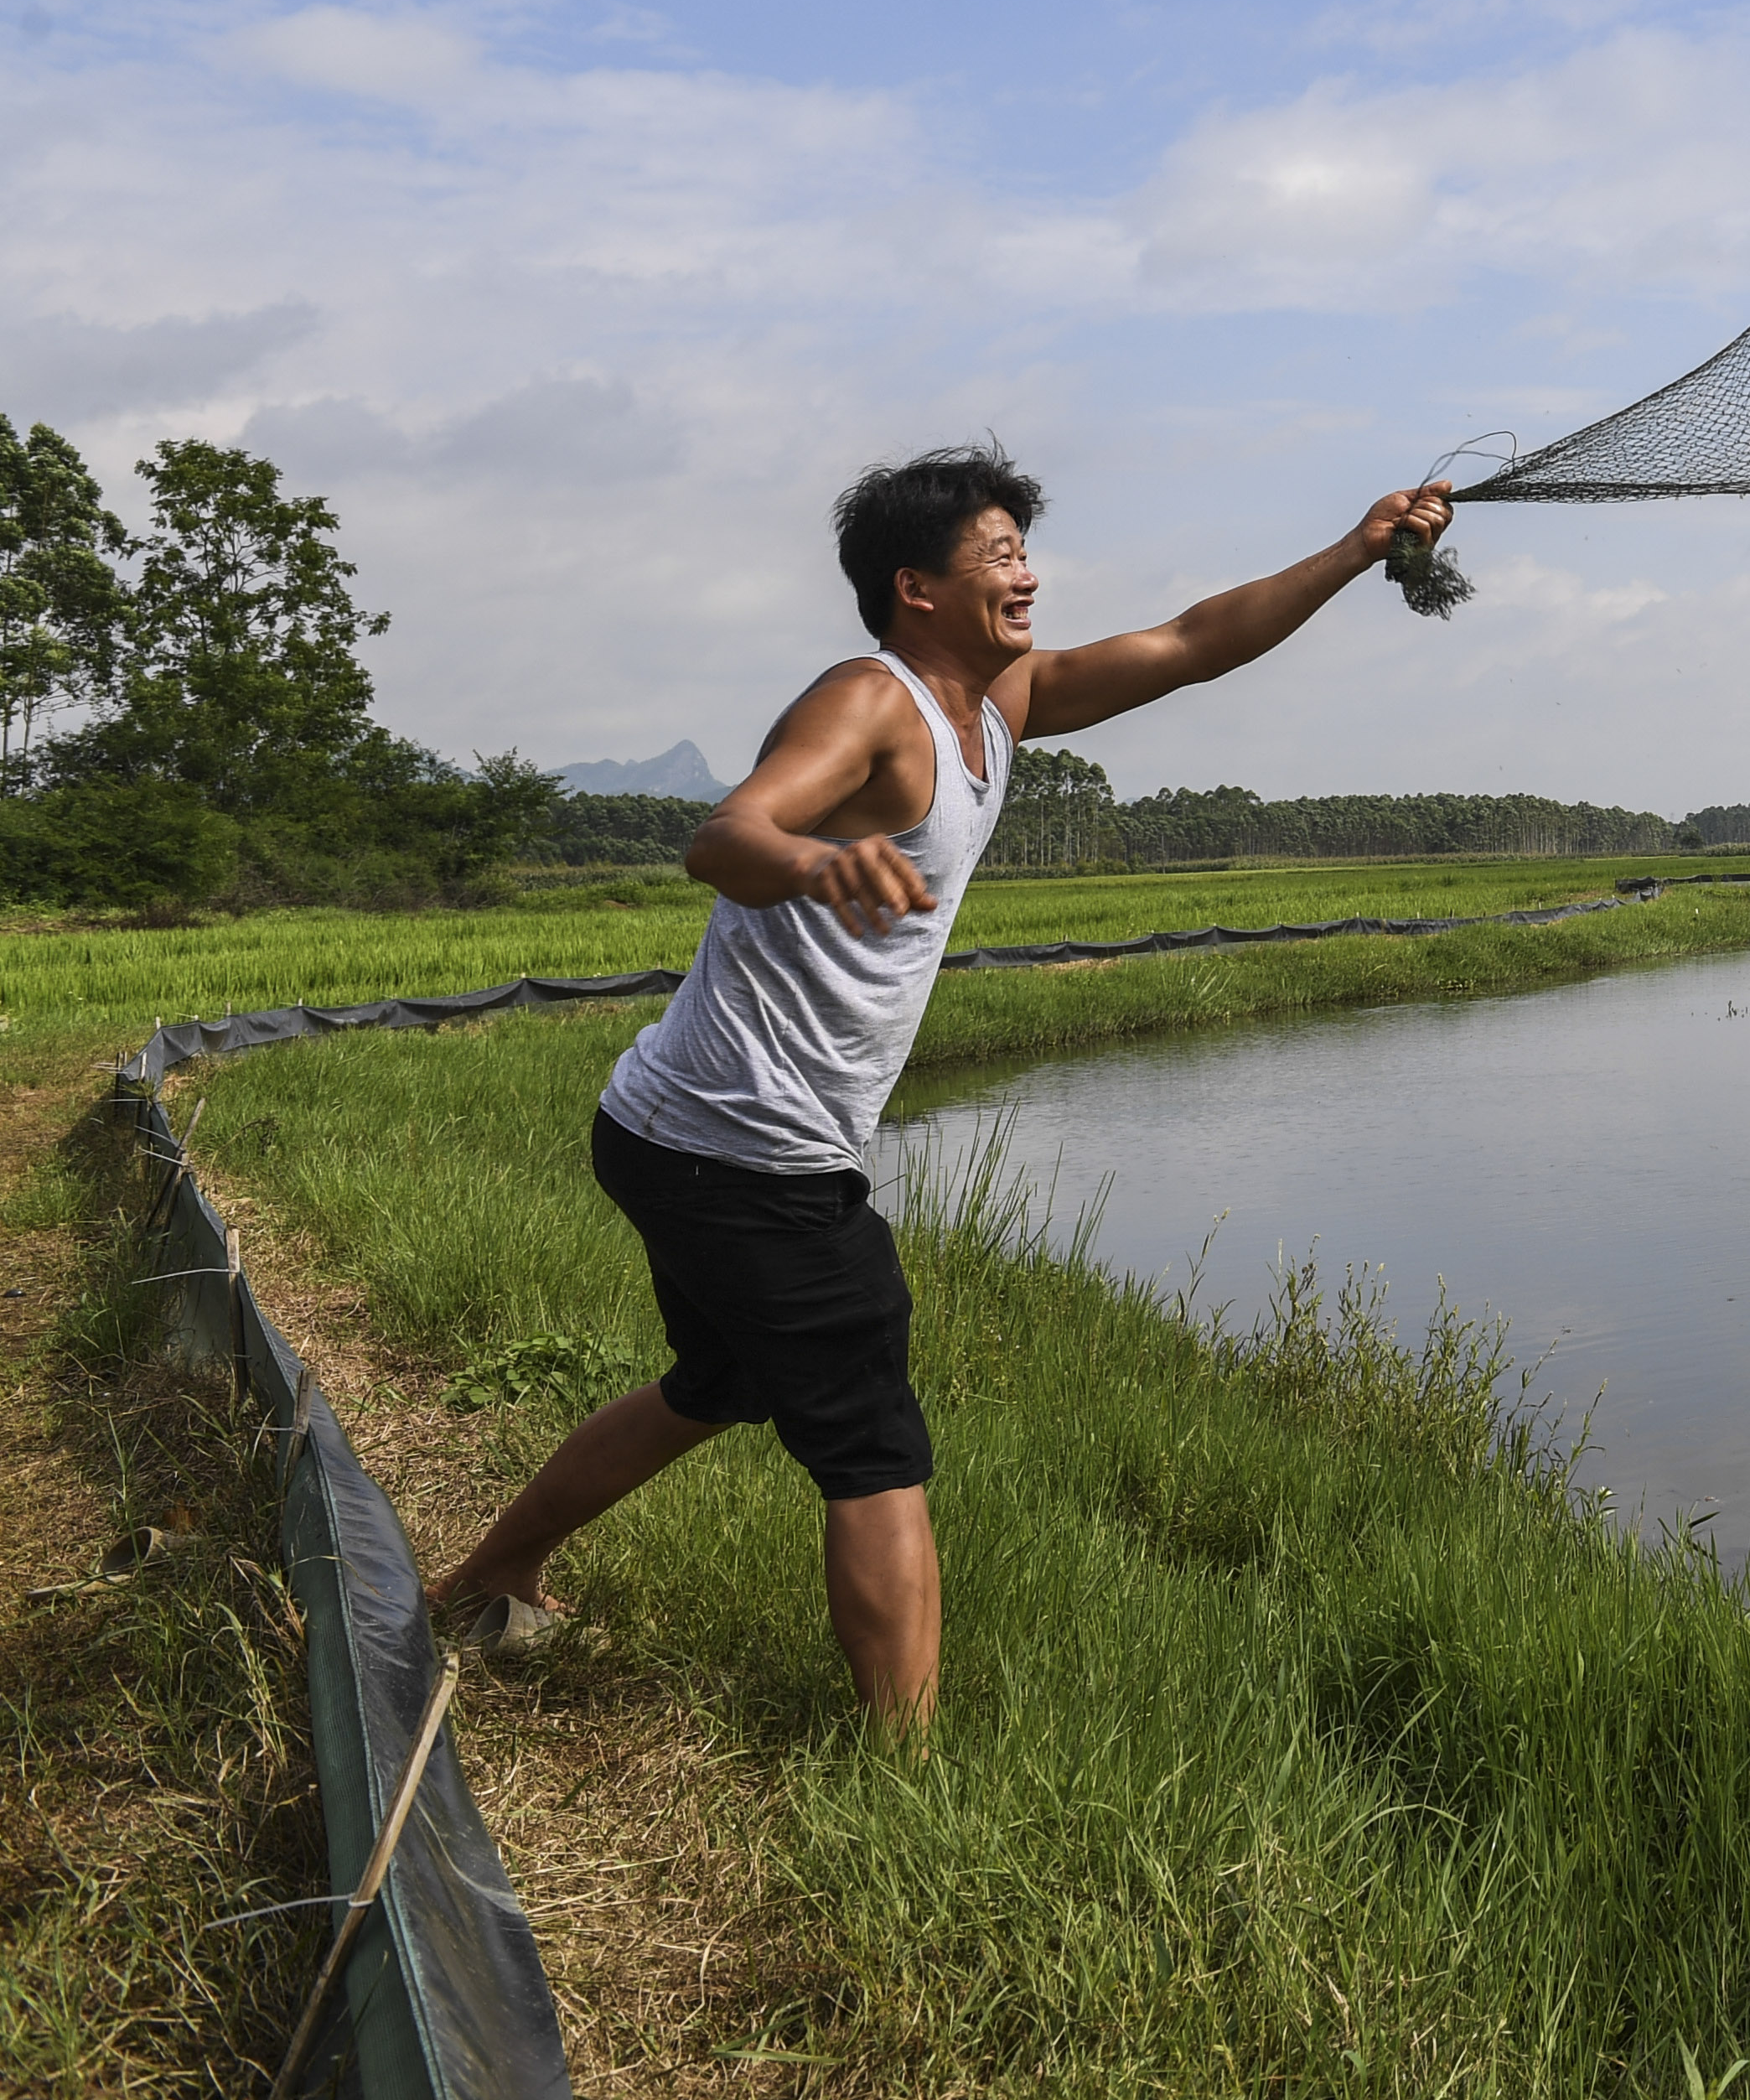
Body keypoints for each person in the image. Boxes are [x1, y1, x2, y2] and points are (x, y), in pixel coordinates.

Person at [422, 445, 1457, 1726]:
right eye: (1000, 555)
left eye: (1026, 549)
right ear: (916, 586)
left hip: (673, 1128)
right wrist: (812, 866)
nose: (1028, 574)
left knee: (722, 1383)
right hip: (748, 1152)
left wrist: (1356, 553)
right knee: (874, 1448)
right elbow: (725, 835)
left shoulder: (1003, 702)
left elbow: (1193, 642)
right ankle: (906, 1775)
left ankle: (495, 1571)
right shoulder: (871, 703)